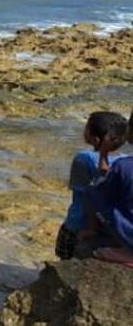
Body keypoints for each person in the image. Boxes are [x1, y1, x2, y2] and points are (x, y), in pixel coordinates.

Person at [56, 111, 128, 260]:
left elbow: (84, 194)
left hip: (78, 223)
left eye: (86, 128)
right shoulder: (126, 162)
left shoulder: (84, 159)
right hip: (110, 229)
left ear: (95, 139)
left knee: (66, 259)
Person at [83, 107, 133, 268]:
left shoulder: (123, 166)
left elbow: (102, 191)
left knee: (93, 189)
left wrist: (103, 153)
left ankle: (129, 252)